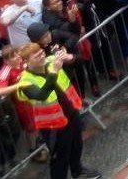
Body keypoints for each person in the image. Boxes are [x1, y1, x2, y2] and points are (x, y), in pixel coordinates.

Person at [13, 42, 98, 179]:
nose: (41, 57)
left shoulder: (51, 60)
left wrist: (70, 57)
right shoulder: (25, 81)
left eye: (41, 53)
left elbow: (81, 60)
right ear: (26, 62)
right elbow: (41, 94)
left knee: (77, 144)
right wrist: (53, 72)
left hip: (71, 113)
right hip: (53, 125)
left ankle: (77, 170)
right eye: (36, 56)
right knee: (60, 158)